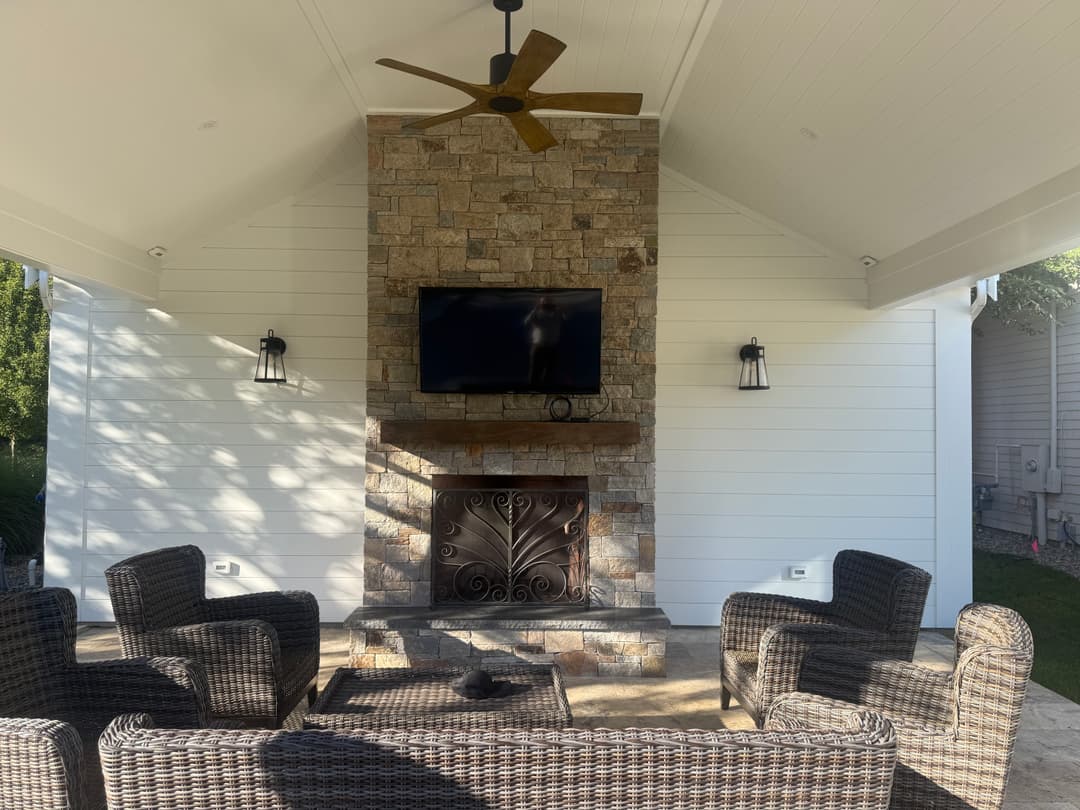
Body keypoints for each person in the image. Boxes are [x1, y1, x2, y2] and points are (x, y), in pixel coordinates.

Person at [524, 295, 564, 388]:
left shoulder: (557, 314)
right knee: (535, 372)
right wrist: (535, 309)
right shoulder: (537, 314)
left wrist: (559, 308)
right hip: (539, 347)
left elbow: (567, 317)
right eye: (545, 304)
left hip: (552, 348)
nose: (547, 306)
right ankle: (533, 390)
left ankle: (545, 389)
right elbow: (527, 322)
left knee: (550, 372)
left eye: (549, 304)